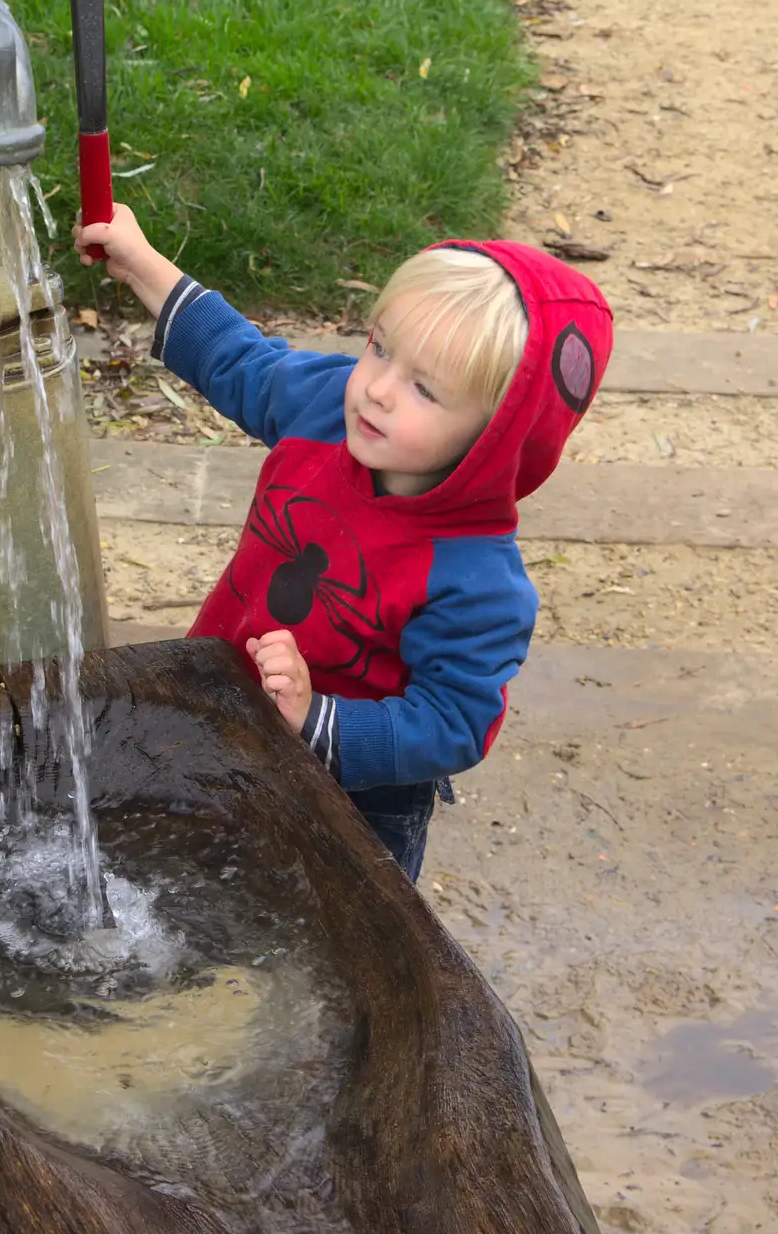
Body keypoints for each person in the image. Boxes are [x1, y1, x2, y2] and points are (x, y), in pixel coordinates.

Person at [74, 207, 613, 882]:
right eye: (381, 349)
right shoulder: (328, 409)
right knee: (196, 886)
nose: (379, 392)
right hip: (224, 703)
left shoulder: (475, 578)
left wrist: (317, 719)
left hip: (356, 805)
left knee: (327, 940)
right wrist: (141, 263)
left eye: (424, 389)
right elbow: (241, 360)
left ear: (496, 437)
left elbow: (455, 721)